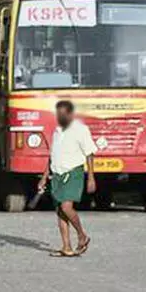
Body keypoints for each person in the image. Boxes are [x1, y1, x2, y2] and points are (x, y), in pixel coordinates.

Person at [38, 100, 97, 257]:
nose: (60, 116)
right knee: (60, 211)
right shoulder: (57, 131)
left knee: (66, 207)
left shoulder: (80, 129)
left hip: (73, 173)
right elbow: (52, 156)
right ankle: (67, 247)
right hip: (57, 173)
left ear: (70, 114)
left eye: (63, 113)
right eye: (58, 113)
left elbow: (90, 153)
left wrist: (91, 177)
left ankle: (82, 235)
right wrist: (44, 177)